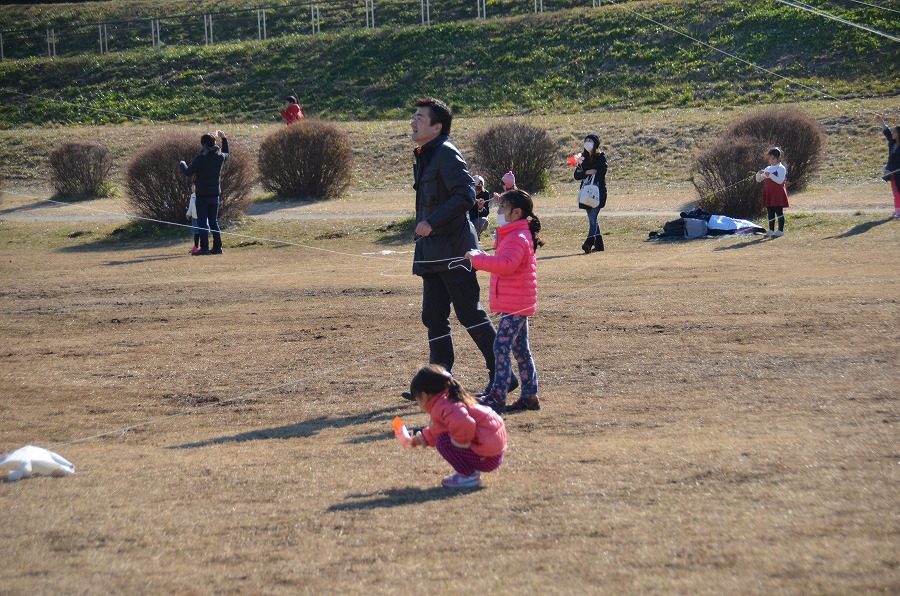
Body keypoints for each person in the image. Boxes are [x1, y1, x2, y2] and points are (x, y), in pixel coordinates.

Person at [408, 96, 517, 397]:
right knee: (433, 316)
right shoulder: (425, 154)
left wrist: (431, 222)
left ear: (437, 126)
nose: (413, 122)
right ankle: (438, 385)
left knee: (469, 313)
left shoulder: (445, 152)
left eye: (420, 117)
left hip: (456, 250)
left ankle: (503, 377)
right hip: (432, 252)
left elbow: (465, 196)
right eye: (413, 116)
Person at [466, 189, 543, 414]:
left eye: (502, 208)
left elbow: (506, 265)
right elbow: (503, 261)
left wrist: (478, 260)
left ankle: (498, 395)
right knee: (520, 350)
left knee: (501, 347)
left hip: (517, 304)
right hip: (516, 302)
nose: (498, 212)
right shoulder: (511, 235)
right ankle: (530, 396)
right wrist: (481, 255)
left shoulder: (518, 237)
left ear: (516, 212)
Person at [407, 364, 507, 488]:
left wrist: (460, 444)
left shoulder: (446, 406)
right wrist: (421, 439)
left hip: (487, 457)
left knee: (443, 442)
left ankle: (468, 476)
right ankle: (468, 474)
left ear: (424, 396)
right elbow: (439, 429)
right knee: (444, 438)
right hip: (493, 453)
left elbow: (464, 422)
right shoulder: (447, 401)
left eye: (417, 400)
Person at [179, 130, 229, 255]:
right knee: (213, 222)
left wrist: (182, 164)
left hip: (202, 196)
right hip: (215, 194)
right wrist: (224, 139)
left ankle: (205, 248)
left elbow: (187, 172)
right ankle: (218, 248)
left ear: (204, 145)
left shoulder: (200, 159)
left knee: (202, 222)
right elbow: (227, 153)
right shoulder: (219, 157)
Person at [573, 134, 608, 253]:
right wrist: (587, 172)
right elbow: (576, 175)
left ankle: (588, 242)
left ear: (595, 144)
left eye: (590, 141)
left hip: (598, 192)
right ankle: (599, 246)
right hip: (585, 193)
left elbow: (602, 173)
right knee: (592, 219)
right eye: (586, 140)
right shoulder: (582, 158)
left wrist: (593, 174)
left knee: (593, 218)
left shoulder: (601, 157)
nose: (587, 143)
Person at [755, 147, 788, 237]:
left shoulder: (781, 168)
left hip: (778, 193)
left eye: (773, 158)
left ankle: (780, 230)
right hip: (769, 193)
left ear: (778, 158)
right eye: (769, 159)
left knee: (779, 211)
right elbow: (759, 179)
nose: (771, 161)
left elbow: (780, 181)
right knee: (770, 212)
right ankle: (771, 230)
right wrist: (759, 174)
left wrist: (770, 175)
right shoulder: (768, 168)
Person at [875, 114, 900, 218]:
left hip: (898, 173)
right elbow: (887, 133)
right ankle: (897, 211)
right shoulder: (893, 143)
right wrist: (881, 122)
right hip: (892, 173)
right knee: (896, 193)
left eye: (894, 131)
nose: (892, 133)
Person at [469, 175, 490, 240]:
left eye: (480, 189)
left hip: (475, 221)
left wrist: (481, 208)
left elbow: (486, 213)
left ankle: (476, 237)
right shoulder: (466, 193)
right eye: (476, 188)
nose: (478, 191)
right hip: (465, 221)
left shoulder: (485, 194)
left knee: (484, 221)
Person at [185, 183, 201, 255]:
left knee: (202, 231)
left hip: (201, 217)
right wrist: (188, 214)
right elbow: (191, 206)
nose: (191, 187)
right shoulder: (192, 196)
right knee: (195, 232)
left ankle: (203, 246)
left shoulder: (201, 195)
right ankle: (196, 246)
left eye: (193, 186)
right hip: (194, 217)